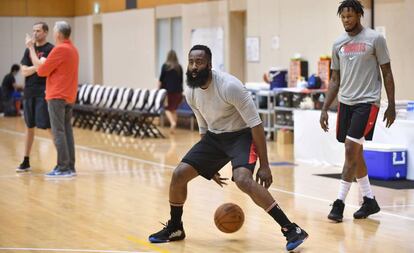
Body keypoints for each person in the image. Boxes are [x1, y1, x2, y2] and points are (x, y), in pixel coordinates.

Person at [149, 45, 308, 251]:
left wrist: (265, 165)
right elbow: (203, 125)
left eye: (199, 62)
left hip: (242, 136)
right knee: (179, 174)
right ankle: (175, 227)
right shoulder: (190, 90)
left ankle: (290, 228)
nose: (194, 67)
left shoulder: (230, 86)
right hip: (214, 138)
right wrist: (208, 165)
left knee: (243, 180)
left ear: (209, 64)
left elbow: (256, 125)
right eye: (191, 62)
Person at [320, 0, 396, 222]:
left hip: (367, 102)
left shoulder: (375, 39)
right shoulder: (338, 44)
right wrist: (325, 108)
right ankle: (370, 200)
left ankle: (339, 203)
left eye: (350, 16)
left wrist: (390, 104)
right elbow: (335, 79)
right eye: (343, 17)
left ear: (359, 16)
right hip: (346, 103)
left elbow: (387, 73)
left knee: (350, 150)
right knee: (355, 151)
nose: (346, 20)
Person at [26, 21, 79, 178]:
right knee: (67, 131)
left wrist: (30, 48)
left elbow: (41, 71)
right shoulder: (73, 49)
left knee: (58, 132)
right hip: (69, 95)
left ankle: (63, 167)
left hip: (57, 95)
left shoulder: (60, 49)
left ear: (58, 34)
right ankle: (70, 166)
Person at [17, 22, 54, 172]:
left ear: (45, 32)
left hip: (43, 92)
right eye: (33, 31)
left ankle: (64, 162)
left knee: (48, 126)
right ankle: (26, 160)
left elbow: (43, 70)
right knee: (29, 127)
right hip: (29, 93)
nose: (35, 33)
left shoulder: (50, 49)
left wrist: (38, 67)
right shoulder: (29, 50)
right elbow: (24, 71)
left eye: (38, 31)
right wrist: (37, 66)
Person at [158, 50, 183, 134]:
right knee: (174, 109)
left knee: (167, 109)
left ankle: (172, 123)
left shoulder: (165, 66)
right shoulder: (179, 67)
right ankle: (173, 129)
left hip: (168, 91)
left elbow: (161, 79)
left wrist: (158, 90)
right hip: (178, 92)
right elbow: (181, 80)